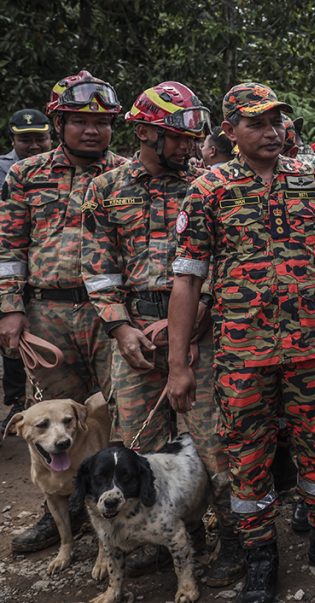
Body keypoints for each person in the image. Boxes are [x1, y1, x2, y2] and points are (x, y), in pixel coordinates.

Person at [167, 82, 315, 602]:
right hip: (241, 354)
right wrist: (178, 365)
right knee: (248, 457)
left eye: (277, 121)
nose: (271, 131)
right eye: (256, 123)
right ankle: (261, 555)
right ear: (230, 131)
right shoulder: (209, 188)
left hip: (309, 349)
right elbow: (187, 280)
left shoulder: (314, 182)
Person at [79, 81, 243, 584]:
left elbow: (226, 260)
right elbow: (98, 267)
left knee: (215, 440)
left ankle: (234, 539)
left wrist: (192, 321)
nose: (191, 148)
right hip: (132, 336)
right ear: (148, 134)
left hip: (199, 331)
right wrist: (121, 327)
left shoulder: (209, 184)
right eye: (179, 138)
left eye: (195, 139)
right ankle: (160, 538)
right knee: (140, 444)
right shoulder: (105, 189)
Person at [0, 71, 125, 554]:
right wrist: (10, 309)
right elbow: (9, 246)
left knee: (119, 415)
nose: (91, 130)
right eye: (79, 121)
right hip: (47, 313)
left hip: (108, 314)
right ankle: (58, 517)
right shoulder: (25, 175)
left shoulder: (125, 173)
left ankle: (129, 513)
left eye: (101, 122)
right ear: (59, 122)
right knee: (52, 422)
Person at [0, 109, 51, 434]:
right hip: (9, 263)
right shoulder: (8, 171)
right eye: (25, 139)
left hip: (41, 271)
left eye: (39, 138)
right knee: (10, 337)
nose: (33, 145)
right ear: (13, 139)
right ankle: (17, 401)